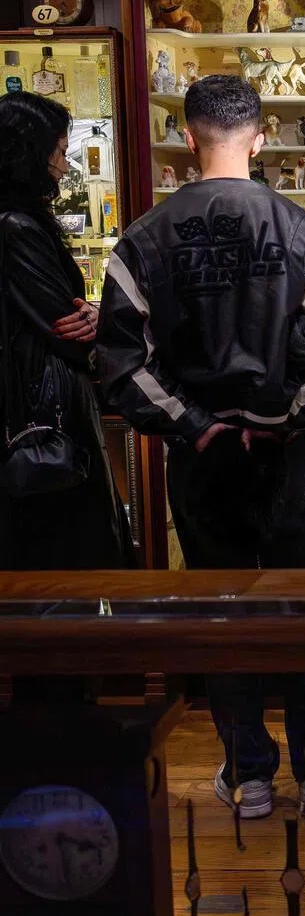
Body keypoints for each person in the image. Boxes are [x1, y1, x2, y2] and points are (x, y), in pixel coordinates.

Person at [96, 76, 305, 820]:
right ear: (262, 132)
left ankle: (249, 775)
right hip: (287, 458)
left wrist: (194, 424)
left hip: (203, 460)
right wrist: (280, 423)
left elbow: (120, 366)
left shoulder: (142, 240)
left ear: (188, 137)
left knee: (223, 614)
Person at [0, 92, 129, 572]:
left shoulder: (17, 223)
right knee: (64, 554)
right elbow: (65, 324)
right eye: (58, 151)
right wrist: (100, 323)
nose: (65, 165)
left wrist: (94, 317)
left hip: (26, 401)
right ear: (29, 153)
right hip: (42, 409)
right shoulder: (18, 227)